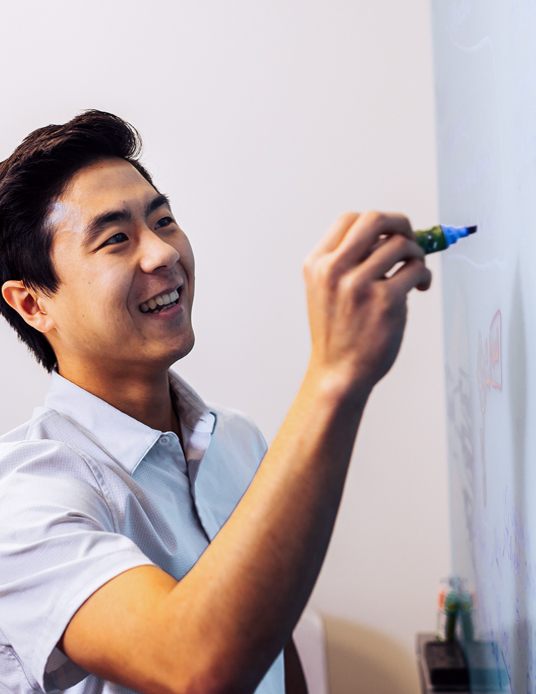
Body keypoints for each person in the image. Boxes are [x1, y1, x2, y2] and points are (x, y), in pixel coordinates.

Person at [0, 110, 431, 694]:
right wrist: (336, 374)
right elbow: (194, 666)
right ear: (32, 305)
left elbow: (270, 634)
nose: (161, 253)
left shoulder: (237, 439)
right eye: (116, 239)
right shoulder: (23, 498)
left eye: (164, 220)